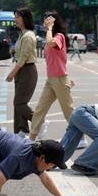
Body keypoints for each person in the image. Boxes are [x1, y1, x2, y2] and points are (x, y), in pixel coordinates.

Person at [29, 12, 75, 141]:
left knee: (69, 111)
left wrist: (49, 28)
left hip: (60, 78)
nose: (44, 22)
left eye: (47, 20)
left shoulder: (59, 36)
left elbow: (50, 43)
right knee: (40, 109)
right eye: (45, 20)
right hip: (51, 79)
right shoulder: (50, 35)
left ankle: (81, 138)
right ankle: (31, 138)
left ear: (53, 22)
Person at [6, 8, 38, 135]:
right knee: (18, 104)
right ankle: (21, 131)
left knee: (19, 103)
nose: (15, 19)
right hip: (22, 71)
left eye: (18, 17)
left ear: (25, 18)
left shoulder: (28, 36)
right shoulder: (22, 35)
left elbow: (24, 58)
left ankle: (38, 122)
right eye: (15, 17)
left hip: (27, 70)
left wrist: (12, 72)